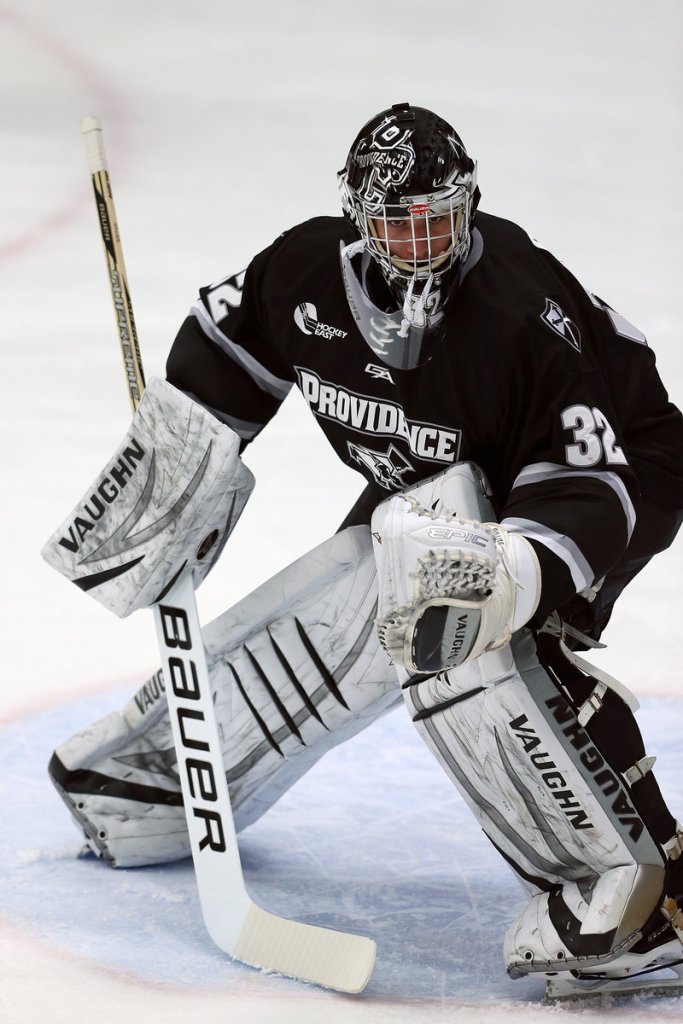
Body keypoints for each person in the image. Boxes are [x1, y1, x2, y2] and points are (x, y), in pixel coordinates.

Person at [44, 102, 683, 996]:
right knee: (371, 589)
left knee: (459, 628)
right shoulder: (305, 272)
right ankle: (167, 779)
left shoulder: (516, 312)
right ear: (358, 216)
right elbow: (227, 350)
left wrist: (515, 574)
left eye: (438, 217)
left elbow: (589, 479)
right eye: (397, 221)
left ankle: (644, 896)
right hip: (444, 471)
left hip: (611, 468)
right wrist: (178, 471)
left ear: (467, 204)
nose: (420, 242)